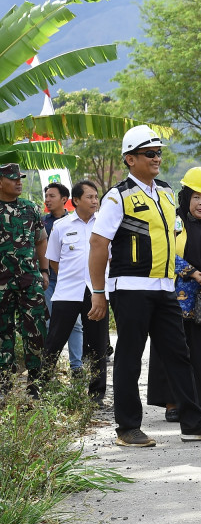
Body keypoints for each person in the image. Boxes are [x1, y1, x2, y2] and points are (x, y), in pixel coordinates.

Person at [88, 125, 201, 447]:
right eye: (149, 153)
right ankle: (127, 428)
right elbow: (99, 244)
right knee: (130, 355)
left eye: (159, 153)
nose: (157, 158)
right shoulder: (118, 196)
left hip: (164, 288)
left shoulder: (167, 192)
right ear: (130, 159)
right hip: (130, 287)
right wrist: (98, 292)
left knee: (178, 354)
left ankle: (193, 422)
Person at [149, 167, 201, 420]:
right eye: (196, 197)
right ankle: (174, 403)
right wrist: (194, 273)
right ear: (186, 197)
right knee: (175, 350)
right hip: (176, 300)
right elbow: (167, 253)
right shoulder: (173, 223)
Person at [43, 180, 107, 403]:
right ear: (76, 200)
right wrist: (73, 277)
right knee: (54, 342)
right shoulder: (61, 226)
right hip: (66, 292)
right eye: (90, 197)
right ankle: (42, 388)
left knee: (98, 345)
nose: (95, 201)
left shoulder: (105, 225)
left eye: (96, 197)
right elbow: (53, 261)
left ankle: (96, 394)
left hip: (96, 292)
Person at [0, 163, 49, 395]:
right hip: (1, 284)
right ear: (1, 182)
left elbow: (41, 240)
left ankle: (35, 383)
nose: (19, 181)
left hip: (29, 281)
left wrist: (45, 271)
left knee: (36, 330)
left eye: (20, 178)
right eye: (13, 178)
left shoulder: (31, 208)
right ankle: (4, 384)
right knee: (2, 333)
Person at [43, 182, 83, 371]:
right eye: (46, 196)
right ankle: (49, 367)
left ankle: (76, 367)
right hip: (49, 282)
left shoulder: (72, 223)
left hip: (70, 283)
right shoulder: (43, 223)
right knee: (51, 323)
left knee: (75, 325)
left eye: (52, 196)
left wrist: (65, 279)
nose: (47, 200)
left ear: (64, 199)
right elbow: (49, 258)